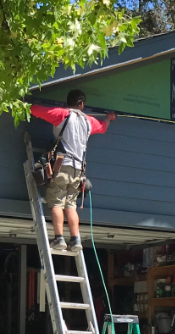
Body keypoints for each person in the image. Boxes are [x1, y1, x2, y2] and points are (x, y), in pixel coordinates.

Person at [31, 90, 116, 252]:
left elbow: (35, 110)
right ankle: (75, 240)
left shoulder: (62, 114)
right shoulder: (89, 121)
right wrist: (109, 117)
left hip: (61, 166)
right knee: (70, 205)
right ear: (82, 104)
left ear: (67, 102)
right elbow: (103, 127)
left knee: (56, 202)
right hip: (78, 170)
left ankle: (59, 239)